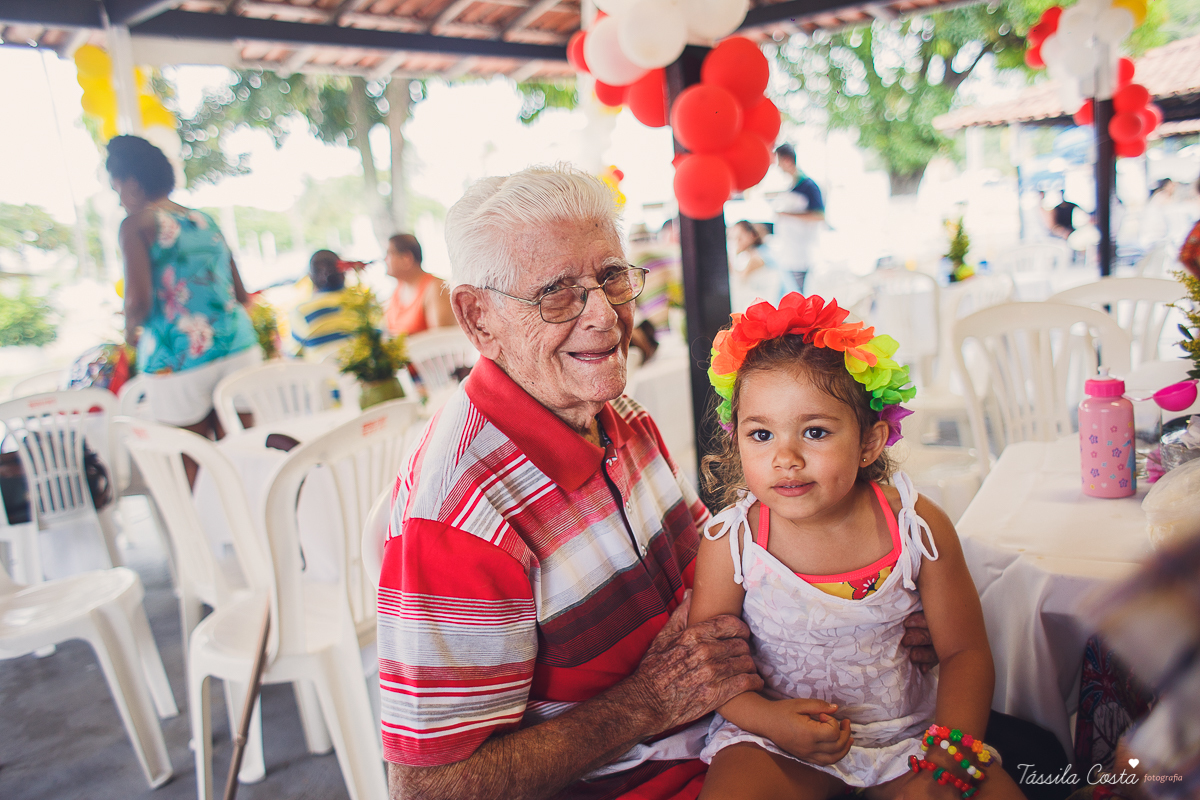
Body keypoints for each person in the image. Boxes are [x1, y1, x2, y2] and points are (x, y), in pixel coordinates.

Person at [376, 165, 941, 800]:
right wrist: (644, 703)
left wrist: (866, 612)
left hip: (759, 724)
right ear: (479, 318)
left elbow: (730, 567)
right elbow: (428, 788)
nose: (606, 316)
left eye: (612, 278)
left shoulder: (615, 412)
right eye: (557, 293)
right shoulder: (458, 518)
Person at [691, 293, 1026, 800]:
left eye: (815, 432)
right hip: (775, 743)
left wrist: (946, 759)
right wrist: (769, 720)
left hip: (909, 739)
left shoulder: (917, 527)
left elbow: (965, 652)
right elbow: (711, 667)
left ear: (869, 442)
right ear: (735, 438)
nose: (786, 457)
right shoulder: (731, 542)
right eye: (761, 434)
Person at [107, 134, 258, 439]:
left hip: (176, 355)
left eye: (117, 189)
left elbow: (137, 303)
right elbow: (241, 294)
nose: (120, 201)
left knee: (193, 457)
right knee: (245, 452)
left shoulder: (136, 224)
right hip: (238, 346)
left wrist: (129, 333)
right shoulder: (204, 221)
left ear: (132, 184)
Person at [771, 145, 825, 295]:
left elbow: (819, 216)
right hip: (788, 254)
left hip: (800, 255)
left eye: (779, 161)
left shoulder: (809, 186)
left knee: (798, 298)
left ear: (787, 160)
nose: (778, 167)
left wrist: (786, 214)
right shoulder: (792, 186)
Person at [289, 249, 356, 361]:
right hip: (363, 369)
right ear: (343, 272)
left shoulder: (302, 312)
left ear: (311, 277)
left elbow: (295, 356)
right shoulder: (360, 302)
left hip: (323, 371)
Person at [382, 233, 455, 336]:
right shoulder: (397, 290)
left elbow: (442, 339)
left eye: (389, 254)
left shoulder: (435, 288)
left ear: (406, 258)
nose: (385, 260)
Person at [729, 220, 779, 312]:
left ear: (751, 236)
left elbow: (739, 281)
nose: (736, 243)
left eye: (739, 238)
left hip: (770, 305)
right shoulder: (757, 254)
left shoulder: (756, 258)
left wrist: (731, 256)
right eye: (733, 239)